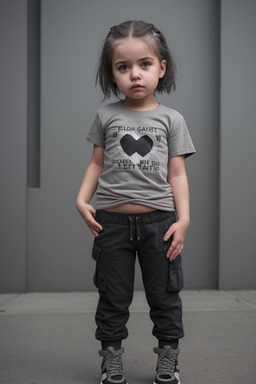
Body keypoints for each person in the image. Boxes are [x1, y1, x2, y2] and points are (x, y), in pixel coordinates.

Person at [76, 20, 195, 384]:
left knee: (165, 296)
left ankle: (168, 358)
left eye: (144, 64)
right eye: (123, 67)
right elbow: (97, 163)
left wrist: (184, 219)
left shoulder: (171, 119)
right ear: (112, 74)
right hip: (111, 223)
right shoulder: (106, 116)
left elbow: (177, 174)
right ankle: (111, 358)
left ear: (162, 67)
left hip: (159, 223)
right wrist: (82, 200)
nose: (135, 75)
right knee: (112, 297)